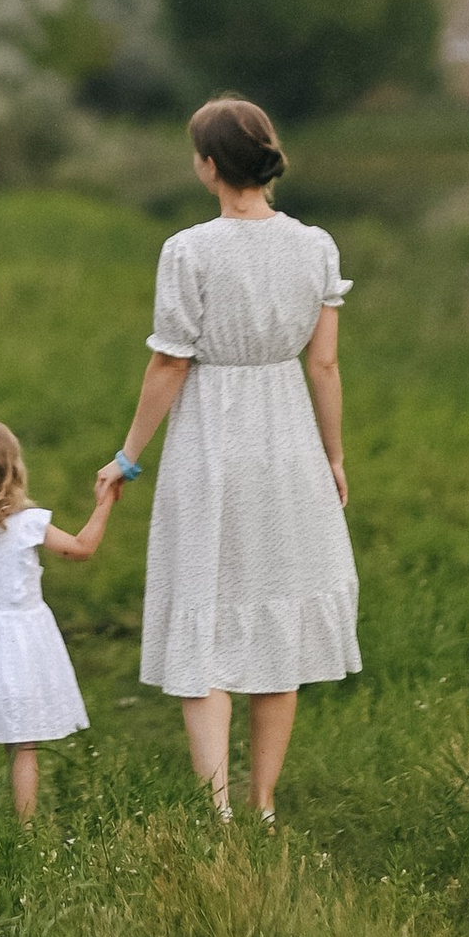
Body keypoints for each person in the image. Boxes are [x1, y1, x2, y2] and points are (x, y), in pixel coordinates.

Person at [97, 94, 357, 827]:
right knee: (278, 622)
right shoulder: (316, 246)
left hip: (211, 442)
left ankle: (217, 812)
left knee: (204, 616)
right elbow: (326, 367)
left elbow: (169, 367)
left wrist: (128, 456)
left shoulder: (189, 251)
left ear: (209, 167)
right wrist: (333, 456)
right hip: (289, 446)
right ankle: (264, 805)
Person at [0, 419, 122, 821]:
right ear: (14, 470)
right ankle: (26, 827)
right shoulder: (29, 524)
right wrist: (104, 504)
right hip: (22, 641)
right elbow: (81, 548)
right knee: (23, 742)